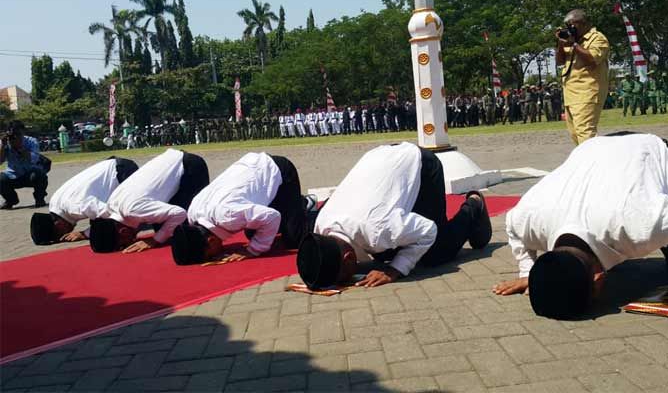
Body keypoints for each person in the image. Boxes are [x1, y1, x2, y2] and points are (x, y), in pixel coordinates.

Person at [493, 133, 668, 319]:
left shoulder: (642, 224)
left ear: (599, 279)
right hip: (593, 150)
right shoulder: (528, 219)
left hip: (648, 150)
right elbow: (513, 227)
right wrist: (529, 272)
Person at [296, 142, 493, 289]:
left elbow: (428, 230)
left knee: (436, 252)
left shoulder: (378, 229)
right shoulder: (322, 224)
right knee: (388, 250)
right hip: (380, 159)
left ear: (348, 258)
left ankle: (474, 206)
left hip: (421, 166)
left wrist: (396, 270)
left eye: (343, 278)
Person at [171, 153, 315, 265]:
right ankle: (294, 205)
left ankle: (311, 207)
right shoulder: (193, 213)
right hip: (255, 173)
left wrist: (252, 251)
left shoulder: (228, 215)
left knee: (294, 238)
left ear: (211, 241)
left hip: (279, 171)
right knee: (253, 233)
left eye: (211, 255)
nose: (216, 256)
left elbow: (272, 217)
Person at [89, 149, 209, 254]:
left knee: (191, 228)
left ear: (123, 232)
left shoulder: (133, 210)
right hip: (171, 161)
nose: (131, 243)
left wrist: (154, 240)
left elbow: (179, 213)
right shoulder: (112, 204)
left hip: (189, 167)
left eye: (124, 244)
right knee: (165, 229)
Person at [30, 157, 138, 245]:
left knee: (132, 212)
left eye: (60, 233)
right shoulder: (55, 203)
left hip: (122, 172)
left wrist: (86, 233)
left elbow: (111, 212)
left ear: (58, 224)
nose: (67, 234)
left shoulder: (76, 206)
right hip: (112, 167)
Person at [555, 9, 609, 145]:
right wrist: (561, 44)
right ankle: (587, 162)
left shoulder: (597, 38)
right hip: (570, 95)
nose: (570, 29)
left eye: (572, 25)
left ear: (583, 23)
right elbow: (560, 61)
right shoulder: (573, 40)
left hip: (587, 92)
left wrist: (574, 44)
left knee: (585, 134)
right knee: (575, 135)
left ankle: (593, 164)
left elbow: (591, 59)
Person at [0, 121, 49, 209]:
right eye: (13, 134)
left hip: (30, 174)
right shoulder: (4, 143)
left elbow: (34, 159)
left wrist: (19, 147)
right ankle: (11, 200)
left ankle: (39, 198)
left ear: (23, 132)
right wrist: (3, 146)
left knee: (39, 174)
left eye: (18, 134)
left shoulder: (31, 141)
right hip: (13, 174)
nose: (15, 136)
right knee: (1, 179)